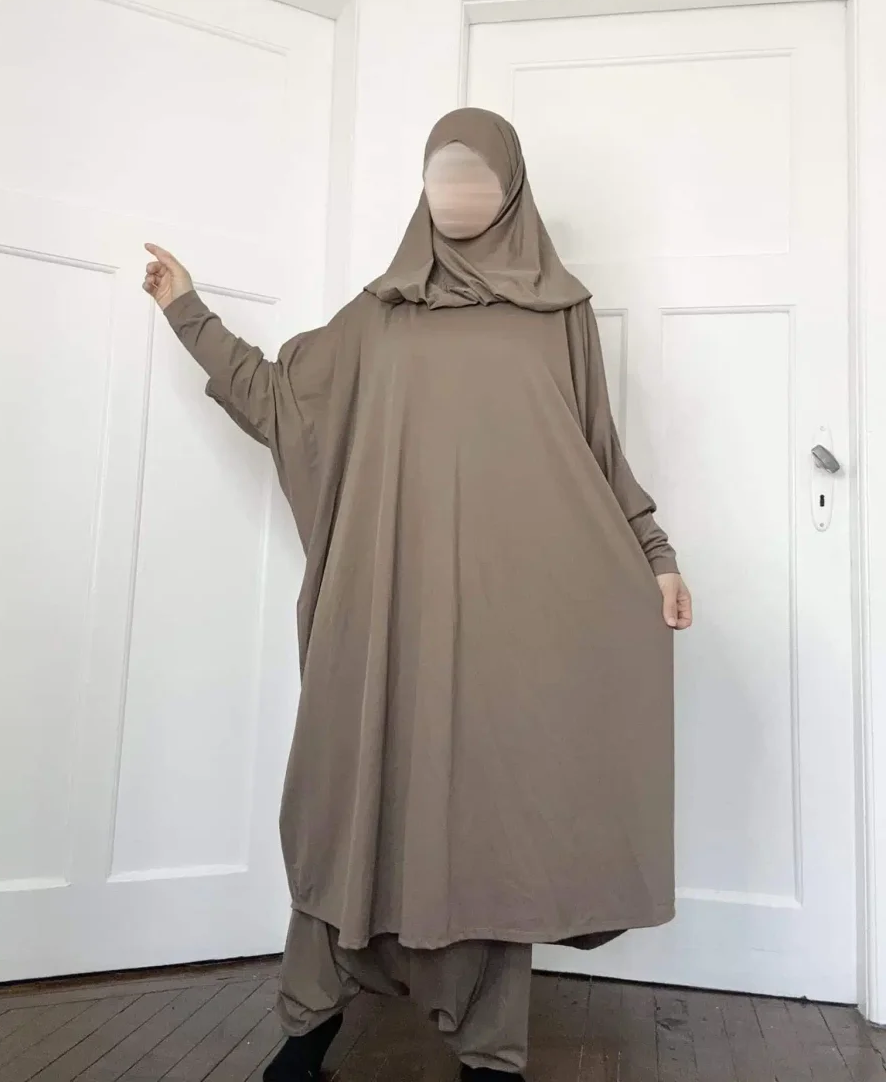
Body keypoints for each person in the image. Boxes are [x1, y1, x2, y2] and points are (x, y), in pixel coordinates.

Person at [144, 107, 692, 1081]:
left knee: (493, 830)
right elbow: (280, 401)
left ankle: (490, 1053)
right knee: (348, 804)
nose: (456, 192)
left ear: (512, 189)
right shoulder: (380, 314)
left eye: (476, 175)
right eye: (441, 173)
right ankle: (308, 1024)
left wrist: (655, 556)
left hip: (508, 623)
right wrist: (190, 314)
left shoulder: (560, 314)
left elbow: (597, 454)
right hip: (385, 617)